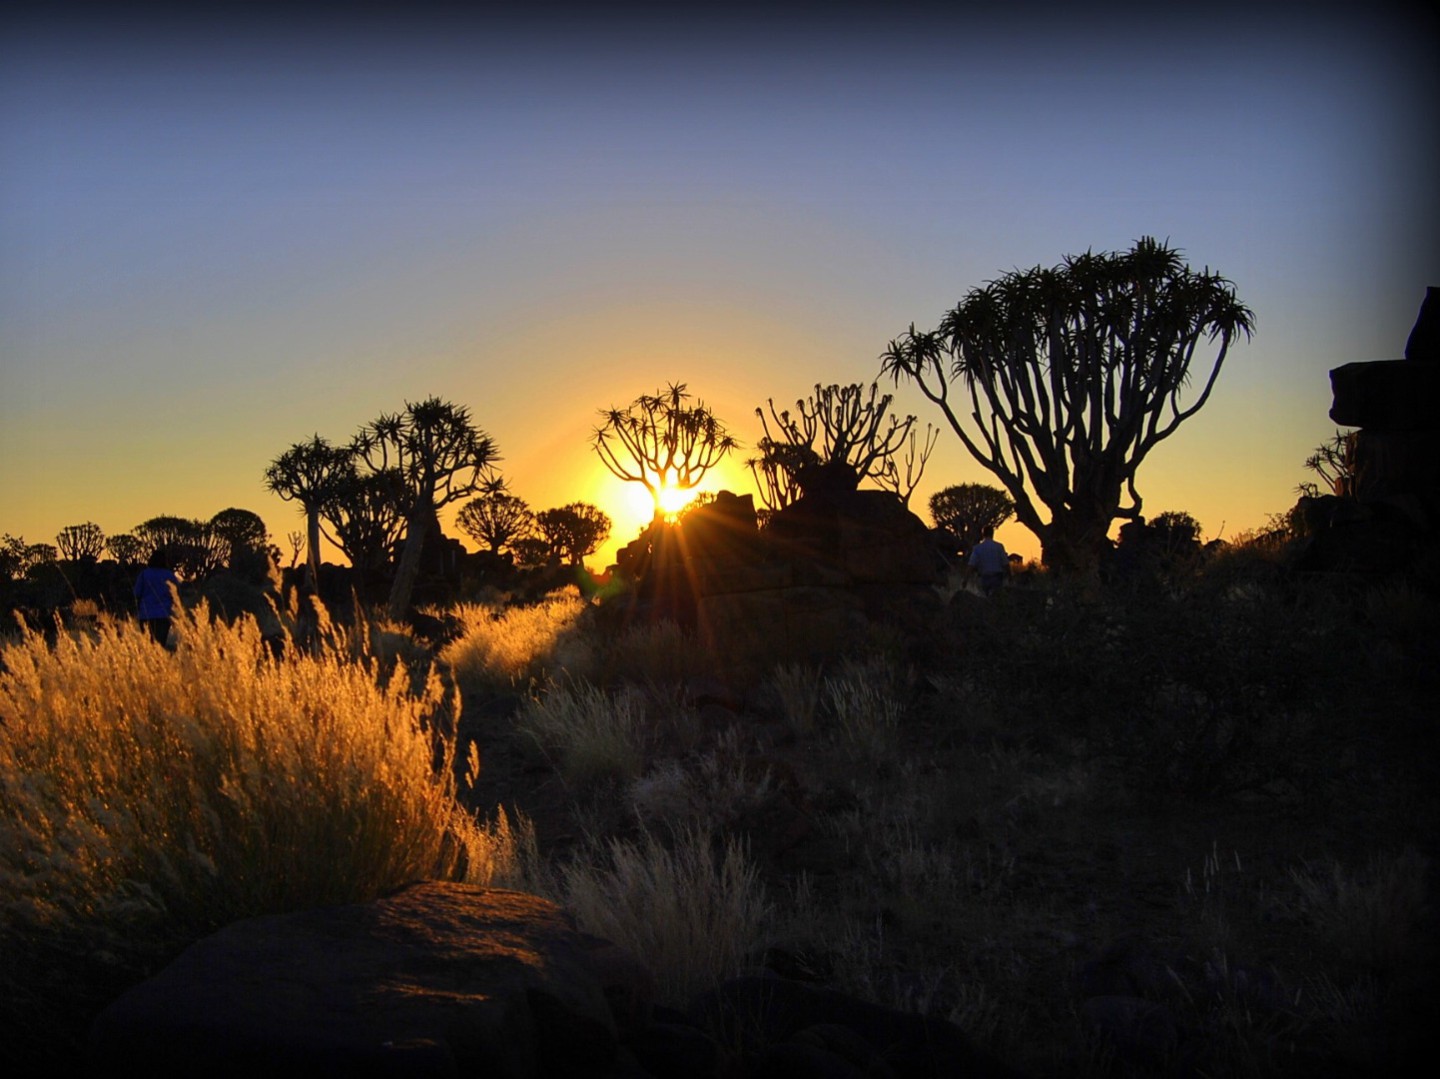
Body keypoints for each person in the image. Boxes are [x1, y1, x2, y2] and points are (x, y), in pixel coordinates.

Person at [135, 548, 180, 645]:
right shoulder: (169, 575)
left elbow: (137, 593)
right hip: (163, 614)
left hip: (146, 614)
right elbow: (176, 595)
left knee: (148, 643)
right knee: (160, 644)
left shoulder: (144, 575)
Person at [967, 527, 1010, 596]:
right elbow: (1005, 563)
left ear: (983, 534)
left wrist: (966, 579)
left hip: (984, 579)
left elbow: (971, 565)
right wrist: (1010, 576)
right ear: (992, 533)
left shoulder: (977, 548)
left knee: (984, 599)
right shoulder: (999, 547)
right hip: (997, 579)